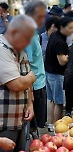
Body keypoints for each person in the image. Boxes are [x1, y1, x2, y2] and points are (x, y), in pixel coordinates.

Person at [0, 14, 36, 151]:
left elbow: (25, 80)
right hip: (4, 123)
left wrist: (30, 103)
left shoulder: (20, 51)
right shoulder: (2, 50)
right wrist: (32, 77)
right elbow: (16, 84)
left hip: (19, 119)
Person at [45, 17, 73, 130]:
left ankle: (50, 123)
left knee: (52, 100)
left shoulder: (54, 35)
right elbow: (62, 61)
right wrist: (70, 54)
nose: (71, 30)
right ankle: (58, 126)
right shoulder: (60, 41)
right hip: (56, 75)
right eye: (69, 28)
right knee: (59, 102)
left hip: (48, 73)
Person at [25, 1, 47, 136]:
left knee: (38, 122)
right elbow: (26, 63)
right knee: (35, 123)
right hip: (35, 85)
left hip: (39, 82)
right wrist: (30, 92)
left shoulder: (33, 34)